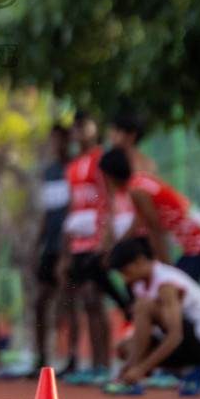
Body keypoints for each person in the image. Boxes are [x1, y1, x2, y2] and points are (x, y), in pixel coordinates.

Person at [57, 111, 130, 384]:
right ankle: (84, 362)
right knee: (80, 302)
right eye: (75, 128)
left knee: (93, 298)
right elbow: (71, 207)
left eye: (83, 126)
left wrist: (106, 240)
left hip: (96, 242)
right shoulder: (72, 166)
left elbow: (111, 199)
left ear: (94, 129)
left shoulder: (102, 159)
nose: (78, 132)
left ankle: (103, 364)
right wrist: (64, 252)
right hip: (77, 243)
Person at [103, 237, 200, 396]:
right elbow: (145, 334)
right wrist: (128, 366)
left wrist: (139, 369)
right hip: (183, 341)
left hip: (199, 341)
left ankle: (193, 367)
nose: (125, 278)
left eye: (126, 271)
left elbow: (175, 336)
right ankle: (185, 371)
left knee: (143, 306)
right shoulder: (139, 285)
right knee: (124, 348)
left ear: (140, 261)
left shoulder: (166, 283)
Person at [99, 147, 200, 282]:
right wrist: (114, 249)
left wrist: (167, 269)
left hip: (198, 243)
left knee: (178, 290)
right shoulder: (140, 180)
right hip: (198, 237)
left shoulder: (136, 192)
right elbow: (137, 224)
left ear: (110, 177)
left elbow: (155, 230)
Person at [31, 123, 77, 377]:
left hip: (69, 244)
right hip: (49, 245)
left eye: (61, 139)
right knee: (41, 301)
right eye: (53, 140)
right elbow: (47, 212)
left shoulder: (75, 168)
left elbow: (74, 208)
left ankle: (72, 359)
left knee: (69, 300)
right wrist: (36, 247)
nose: (56, 144)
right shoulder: (49, 171)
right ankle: (41, 358)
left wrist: (66, 250)